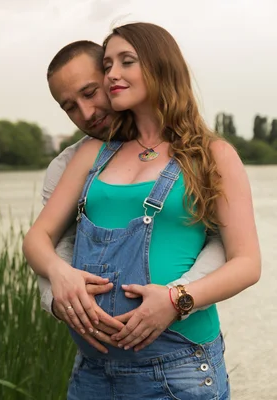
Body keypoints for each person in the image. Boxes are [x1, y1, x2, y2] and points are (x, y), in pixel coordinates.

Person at [23, 22, 261, 400]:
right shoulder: (89, 154)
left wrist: (175, 300)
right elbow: (38, 237)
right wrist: (58, 275)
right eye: (108, 65)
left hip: (178, 368)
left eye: (125, 62)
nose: (113, 74)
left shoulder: (213, 155)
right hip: (93, 373)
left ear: (159, 65)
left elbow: (246, 262)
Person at [38, 39, 226, 353]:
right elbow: (54, 245)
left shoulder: (199, 153)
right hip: (95, 364)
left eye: (89, 92)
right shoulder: (68, 164)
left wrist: (174, 299)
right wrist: (61, 302)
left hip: (179, 348)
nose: (85, 113)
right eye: (69, 106)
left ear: (113, 79)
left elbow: (228, 243)